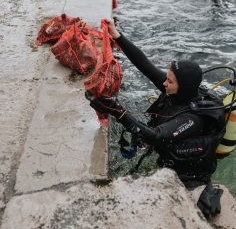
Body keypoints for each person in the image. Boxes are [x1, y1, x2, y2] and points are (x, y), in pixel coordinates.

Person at [87, 20, 226, 191]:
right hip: (166, 154)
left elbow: (155, 136)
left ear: (183, 86)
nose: (164, 83)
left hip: (188, 179)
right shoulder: (176, 90)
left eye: (170, 81)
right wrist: (117, 36)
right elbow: (144, 64)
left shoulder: (192, 119)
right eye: (166, 78)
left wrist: (118, 112)